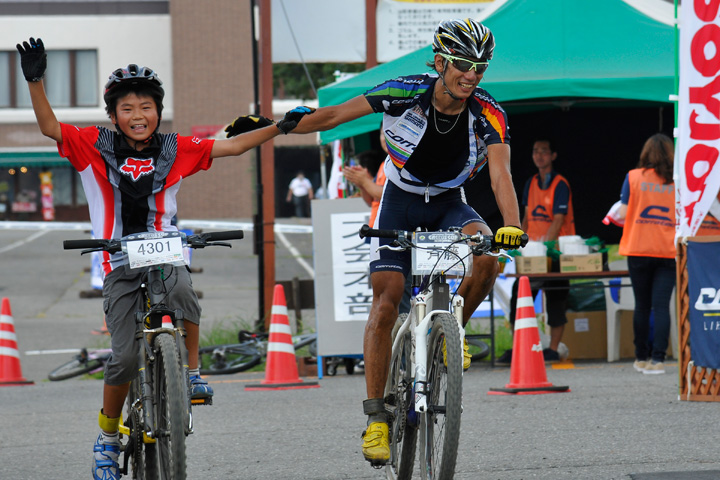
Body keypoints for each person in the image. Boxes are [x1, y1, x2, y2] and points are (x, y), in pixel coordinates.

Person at [230, 19, 526, 466]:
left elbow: (500, 172)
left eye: (480, 68)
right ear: (441, 61)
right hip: (400, 201)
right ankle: (376, 420)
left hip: (449, 201)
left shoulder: (488, 111)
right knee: (386, 302)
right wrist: (273, 127)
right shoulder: (404, 90)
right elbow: (329, 117)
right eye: (464, 64)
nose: (472, 75)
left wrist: (513, 224)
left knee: (488, 255)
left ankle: (452, 332)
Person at [17, 37, 309, 480]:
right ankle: (109, 437)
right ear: (113, 115)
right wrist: (36, 81)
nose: (138, 116)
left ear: (159, 110)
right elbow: (50, 127)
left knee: (181, 290)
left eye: (147, 107)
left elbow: (229, 146)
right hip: (116, 258)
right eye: (128, 109)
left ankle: (189, 372)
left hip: (163, 247)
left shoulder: (177, 147)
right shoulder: (92, 144)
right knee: (123, 358)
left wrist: (281, 127)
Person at [499, 138, 575, 364]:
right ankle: (519, 346)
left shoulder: (560, 184)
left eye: (544, 151)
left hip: (555, 253)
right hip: (533, 253)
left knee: (556, 299)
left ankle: (552, 349)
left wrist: (545, 248)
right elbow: (526, 216)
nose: (539, 155)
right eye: (535, 151)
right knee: (519, 295)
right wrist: (520, 243)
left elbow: (558, 220)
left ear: (553, 156)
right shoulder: (530, 183)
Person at [615, 133, 676, 375]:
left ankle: (641, 358)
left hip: (638, 249)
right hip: (667, 251)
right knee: (661, 306)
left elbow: (621, 212)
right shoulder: (677, 182)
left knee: (641, 306)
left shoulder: (633, 177)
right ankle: (658, 360)